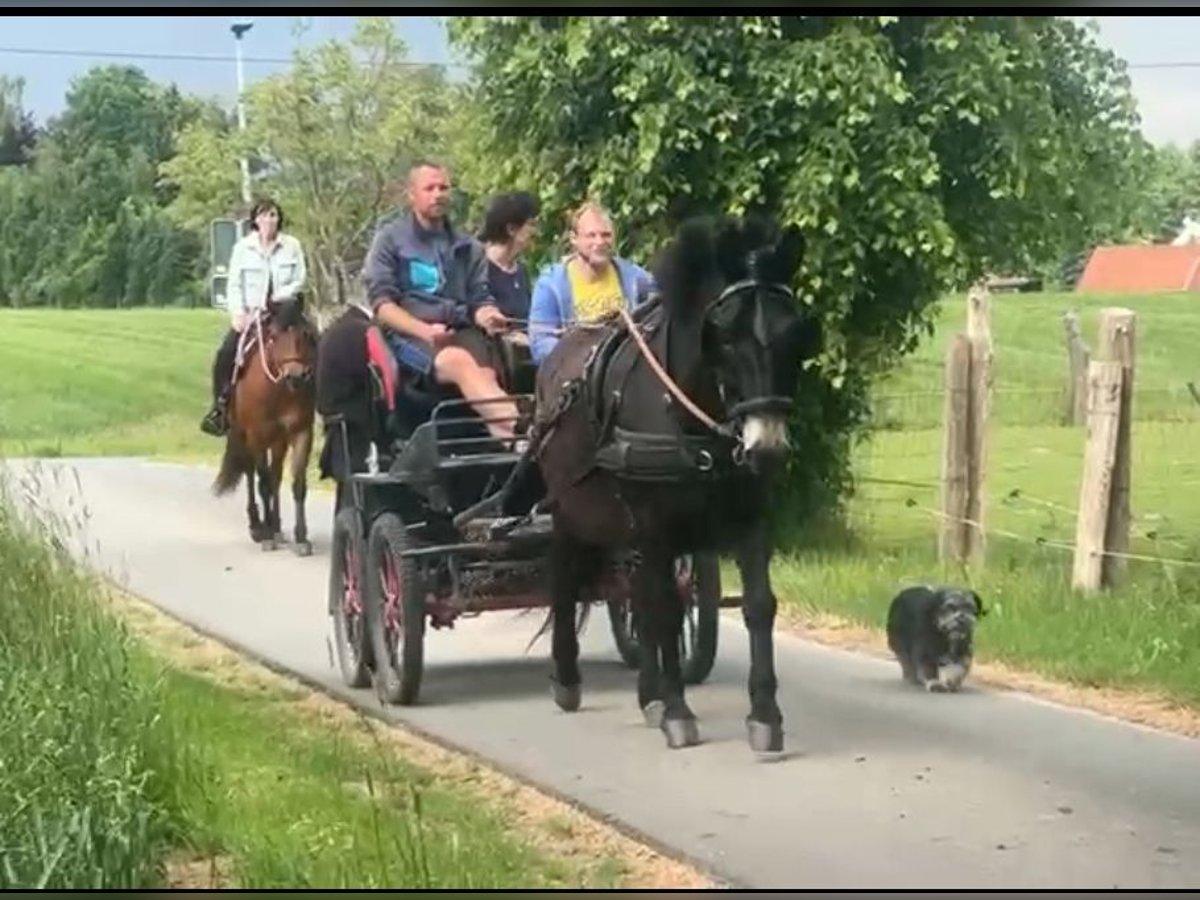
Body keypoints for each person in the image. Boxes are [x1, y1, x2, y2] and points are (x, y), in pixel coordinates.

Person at [361, 159, 523, 446]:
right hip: (409, 337)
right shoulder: (389, 240)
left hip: (461, 330)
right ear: (412, 195)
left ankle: (513, 451)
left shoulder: (468, 247)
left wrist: (487, 314)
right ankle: (523, 428)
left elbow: (479, 298)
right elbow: (383, 307)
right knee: (459, 361)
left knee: (486, 373)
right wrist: (426, 332)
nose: (439, 194)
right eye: (430, 188)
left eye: (444, 187)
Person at [200, 197, 308, 436]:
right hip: (252, 314)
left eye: (273, 215)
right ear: (255, 220)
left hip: (285, 310)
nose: (268, 220)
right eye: (263, 215)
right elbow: (234, 284)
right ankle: (221, 407)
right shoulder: (243, 248)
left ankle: (320, 402)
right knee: (225, 354)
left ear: (279, 219)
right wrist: (238, 313)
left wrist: (278, 297)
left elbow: (300, 278)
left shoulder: (292, 245)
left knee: (314, 343)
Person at [527, 201, 655, 366]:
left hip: (626, 372)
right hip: (575, 378)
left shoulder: (637, 279)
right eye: (591, 235)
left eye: (606, 235)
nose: (600, 242)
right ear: (574, 239)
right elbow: (540, 342)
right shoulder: (550, 285)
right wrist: (581, 358)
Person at [479, 190, 540, 328]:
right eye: (531, 225)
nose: (535, 232)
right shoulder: (478, 269)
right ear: (511, 229)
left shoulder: (521, 271)